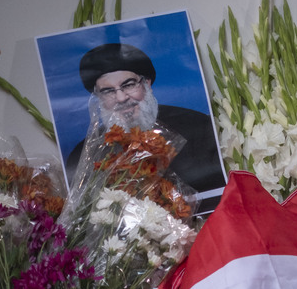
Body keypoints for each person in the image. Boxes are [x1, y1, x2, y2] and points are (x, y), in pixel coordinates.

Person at [65, 42, 226, 213]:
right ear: (98, 97)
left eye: (128, 85)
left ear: (147, 83)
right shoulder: (85, 153)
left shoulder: (197, 127)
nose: (121, 98)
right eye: (108, 91)